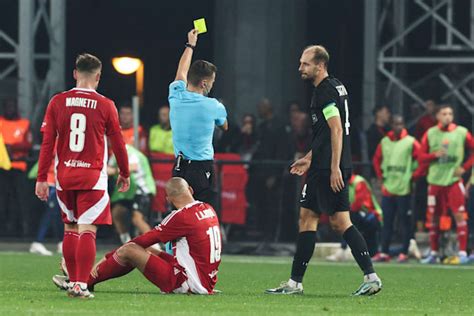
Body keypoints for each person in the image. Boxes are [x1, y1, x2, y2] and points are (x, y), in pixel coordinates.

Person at [265, 45, 382, 296]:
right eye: (300, 63)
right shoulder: (336, 86)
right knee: (308, 219)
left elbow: (336, 130)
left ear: (320, 65)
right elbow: (324, 135)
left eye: (305, 64)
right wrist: (309, 157)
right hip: (322, 164)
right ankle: (295, 282)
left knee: (340, 222)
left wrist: (333, 168)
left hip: (328, 167)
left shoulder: (324, 91)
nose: (300, 68)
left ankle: (371, 276)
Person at [36, 53, 130, 298]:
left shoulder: (57, 101)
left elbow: (47, 143)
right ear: (98, 77)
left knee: (70, 227)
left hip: (64, 175)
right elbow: (118, 142)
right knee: (87, 229)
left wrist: (41, 179)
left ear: (75, 73)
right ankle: (80, 284)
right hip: (92, 177)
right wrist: (125, 171)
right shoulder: (105, 104)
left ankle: (73, 283)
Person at [52, 177, 222, 295]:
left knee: (130, 250)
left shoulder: (181, 216)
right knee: (140, 249)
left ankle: (83, 280)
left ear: (168, 199)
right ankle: (85, 279)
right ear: (190, 190)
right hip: (204, 279)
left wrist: (110, 256)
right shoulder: (208, 208)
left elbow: (142, 241)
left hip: (187, 282)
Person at [168, 29, 228, 207]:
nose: (212, 85)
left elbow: (181, 71)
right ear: (204, 83)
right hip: (201, 169)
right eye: (212, 81)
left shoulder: (176, 95)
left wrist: (190, 45)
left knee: (179, 215)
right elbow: (224, 126)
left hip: (179, 168)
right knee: (202, 214)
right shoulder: (214, 106)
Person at [418, 105, 474, 264]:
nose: (448, 116)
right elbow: (421, 157)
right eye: (444, 114)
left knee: (460, 215)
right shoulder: (430, 133)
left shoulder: (462, 132)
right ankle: (434, 253)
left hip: (453, 182)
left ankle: (462, 253)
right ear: (437, 116)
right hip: (435, 182)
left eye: (450, 113)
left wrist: (464, 167)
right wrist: (433, 155)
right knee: (434, 219)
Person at [372, 115, 421, 263]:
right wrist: (381, 177)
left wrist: (412, 176)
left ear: (404, 125)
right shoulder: (385, 142)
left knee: (404, 222)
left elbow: (421, 159)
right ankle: (384, 252)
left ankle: (404, 252)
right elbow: (376, 159)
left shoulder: (411, 142)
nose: (398, 127)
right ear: (392, 125)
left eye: (400, 124)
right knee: (387, 222)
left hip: (404, 188)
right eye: (395, 124)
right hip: (388, 188)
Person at [327, 173, 382, 261]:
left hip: (371, 215)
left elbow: (358, 203)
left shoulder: (359, 182)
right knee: (344, 217)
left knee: (347, 218)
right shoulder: (341, 184)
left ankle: (344, 248)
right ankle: (344, 248)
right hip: (357, 215)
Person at [108, 144, 156, 244]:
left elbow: (133, 167)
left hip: (142, 191)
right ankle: (126, 242)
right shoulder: (115, 154)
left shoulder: (132, 153)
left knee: (137, 219)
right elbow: (108, 169)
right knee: (117, 213)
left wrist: (113, 171)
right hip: (127, 193)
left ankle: (155, 246)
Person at [0, 99, 33, 236]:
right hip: (3, 167)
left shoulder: (24, 124)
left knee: (19, 198)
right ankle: (3, 228)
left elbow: (28, 144)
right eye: (8, 106)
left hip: (19, 166)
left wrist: (11, 147)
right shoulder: (1, 122)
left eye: (12, 106)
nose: (10, 109)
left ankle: (21, 229)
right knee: (3, 198)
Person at [28, 158, 63, 255]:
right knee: (50, 213)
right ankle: (38, 242)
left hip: (58, 182)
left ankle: (62, 242)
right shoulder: (56, 144)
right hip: (50, 182)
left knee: (58, 214)